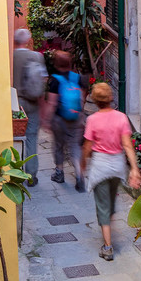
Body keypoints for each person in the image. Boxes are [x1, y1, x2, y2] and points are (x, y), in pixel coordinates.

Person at [80, 82, 141, 261]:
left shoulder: (92, 120)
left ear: (95, 101)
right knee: (110, 201)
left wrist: (82, 162)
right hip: (117, 166)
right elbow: (127, 145)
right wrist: (134, 169)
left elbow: (88, 146)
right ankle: (109, 227)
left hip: (100, 166)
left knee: (102, 206)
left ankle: (107, 247)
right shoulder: (121, 117)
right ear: (110, 98)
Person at [46, 50, 88, 188]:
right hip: (76, 117)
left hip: (59, 119)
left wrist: (47, 120)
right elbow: (82, 98)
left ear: (56, 63)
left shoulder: (55, 81)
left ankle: (59, 173)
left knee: (59, 145)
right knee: (75, 146)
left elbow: (52, 103)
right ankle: (79, 175)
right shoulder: (77, 78)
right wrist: (80, 114)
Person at [11, 29, 47, 185]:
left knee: (15, 137)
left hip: (14, 101)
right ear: (28, 40)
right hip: (32, 102)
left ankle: (15, 173)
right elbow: (43, 80)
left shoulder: (10, 56)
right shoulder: (37, 57)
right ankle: (31, 175)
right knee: (31, 137)